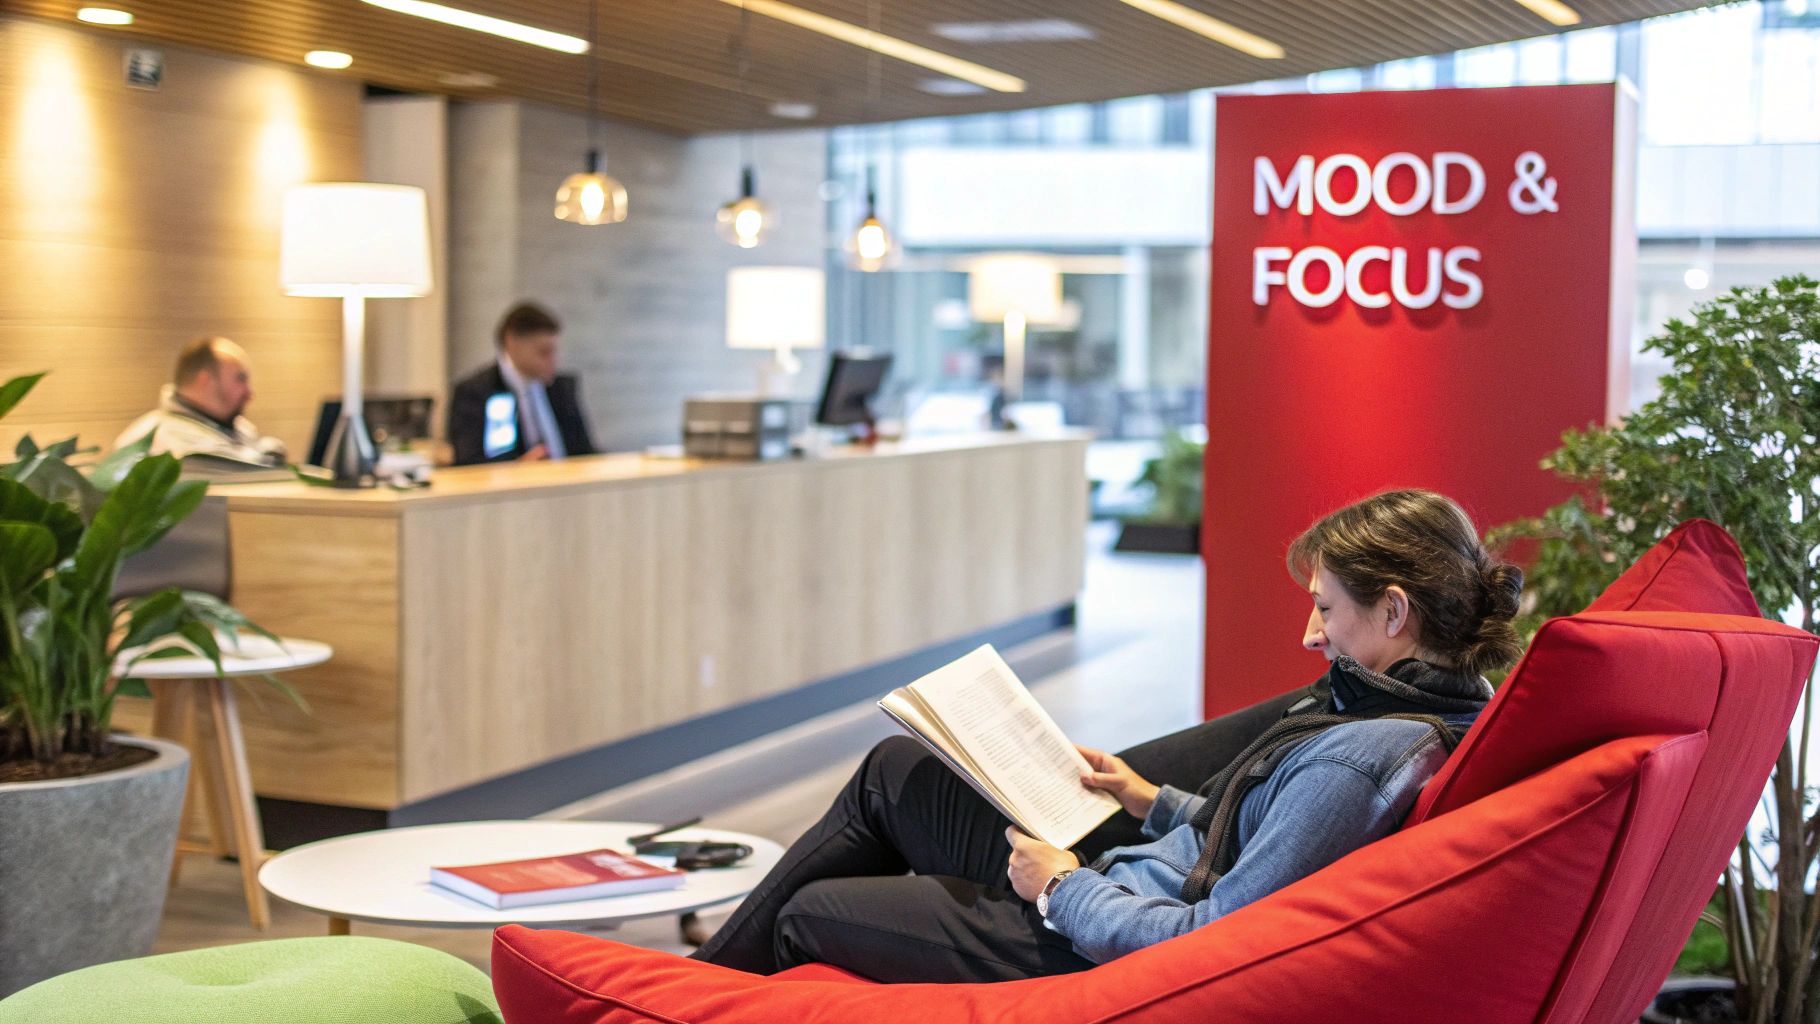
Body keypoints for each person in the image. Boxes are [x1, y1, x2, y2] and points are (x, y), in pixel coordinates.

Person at [693, 489, 1524, 983]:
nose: (1312, 635)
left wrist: (1057, 888)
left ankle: (678, 999)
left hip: (1085, 937)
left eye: (1327, 609)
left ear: (1392, 609)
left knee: (807, 912)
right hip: (1121, 886)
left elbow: (1213, 942)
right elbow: (1264, 833)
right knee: (899, 770)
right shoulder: (1428, 708)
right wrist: (1151, 800)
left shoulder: (1365, 750)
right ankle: (676, 991)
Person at [448, 302, 598, 466]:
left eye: (554, 352)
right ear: (512, 343)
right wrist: (518, 467)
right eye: (544, 352)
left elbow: (585, 452)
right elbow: (469, 462)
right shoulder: (478, 392)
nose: (554, 361)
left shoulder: (561, 387)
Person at [115, 336, 286, 468]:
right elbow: (234, 470)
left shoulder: (241, 428)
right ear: (205, 381)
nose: (250, 393)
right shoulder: (157, 437)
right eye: (240, 379)